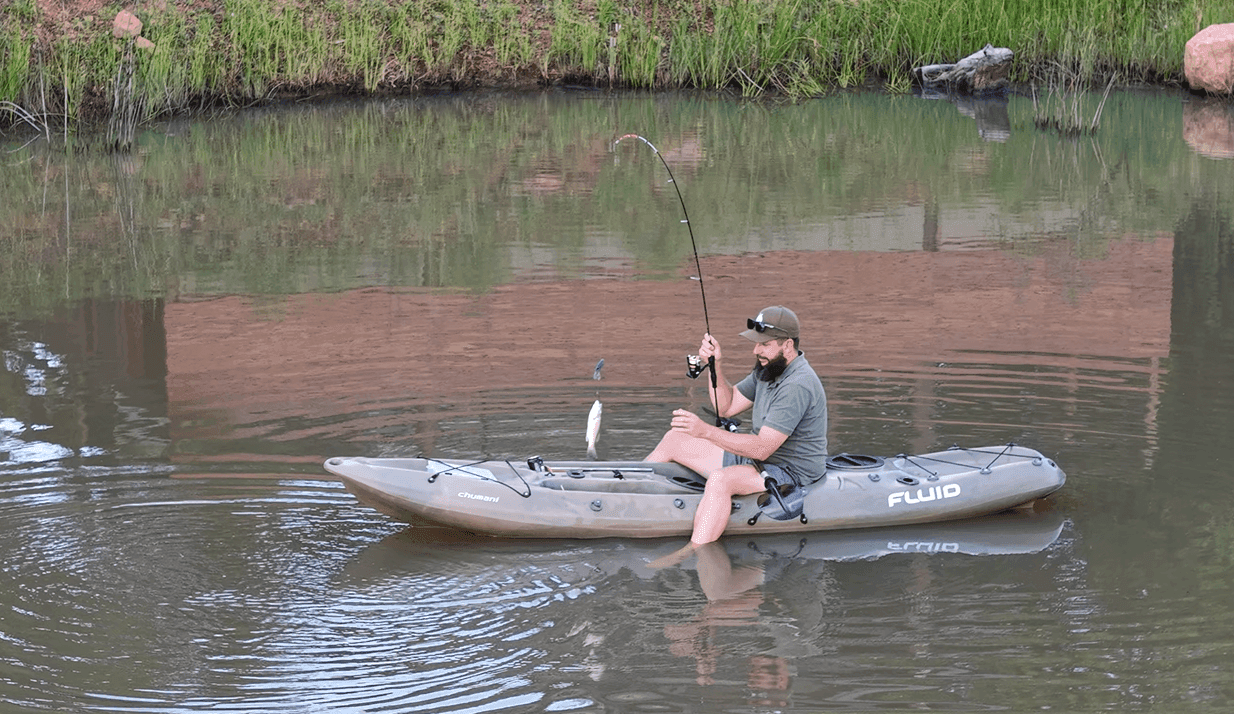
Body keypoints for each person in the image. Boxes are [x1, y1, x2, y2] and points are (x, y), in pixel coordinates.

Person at [646, 305, 828, 549]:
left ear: (787, 345)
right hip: (758, 460)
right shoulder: (769, 369)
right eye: (757, 343)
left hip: (791, 471)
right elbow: (727, 406)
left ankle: (696, 551)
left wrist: (705, 431)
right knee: (675, 439)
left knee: (721, 480)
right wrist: (715, 365)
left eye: (764, 344)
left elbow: (762, 448)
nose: (756, 350)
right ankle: (629, 491)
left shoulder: (797, 385)